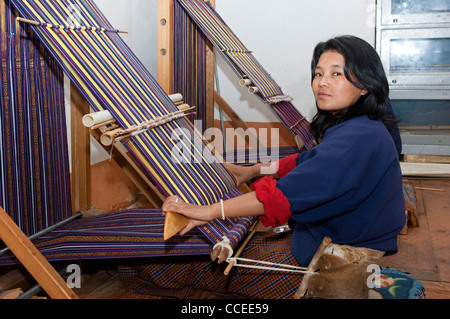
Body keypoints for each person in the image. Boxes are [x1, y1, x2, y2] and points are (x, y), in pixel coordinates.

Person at [120, 35, 406, 299]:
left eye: (336, 74)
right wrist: (254, 171)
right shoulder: (361, 126)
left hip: (335, 258)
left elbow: (283, 196)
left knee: (202, 270)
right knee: (238, 249)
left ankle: (129, 265)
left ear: (365, 83)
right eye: (318, 73)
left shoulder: (357, 139)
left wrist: (208, 211)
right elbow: (307, 163)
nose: (322, 82)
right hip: (337, 237)